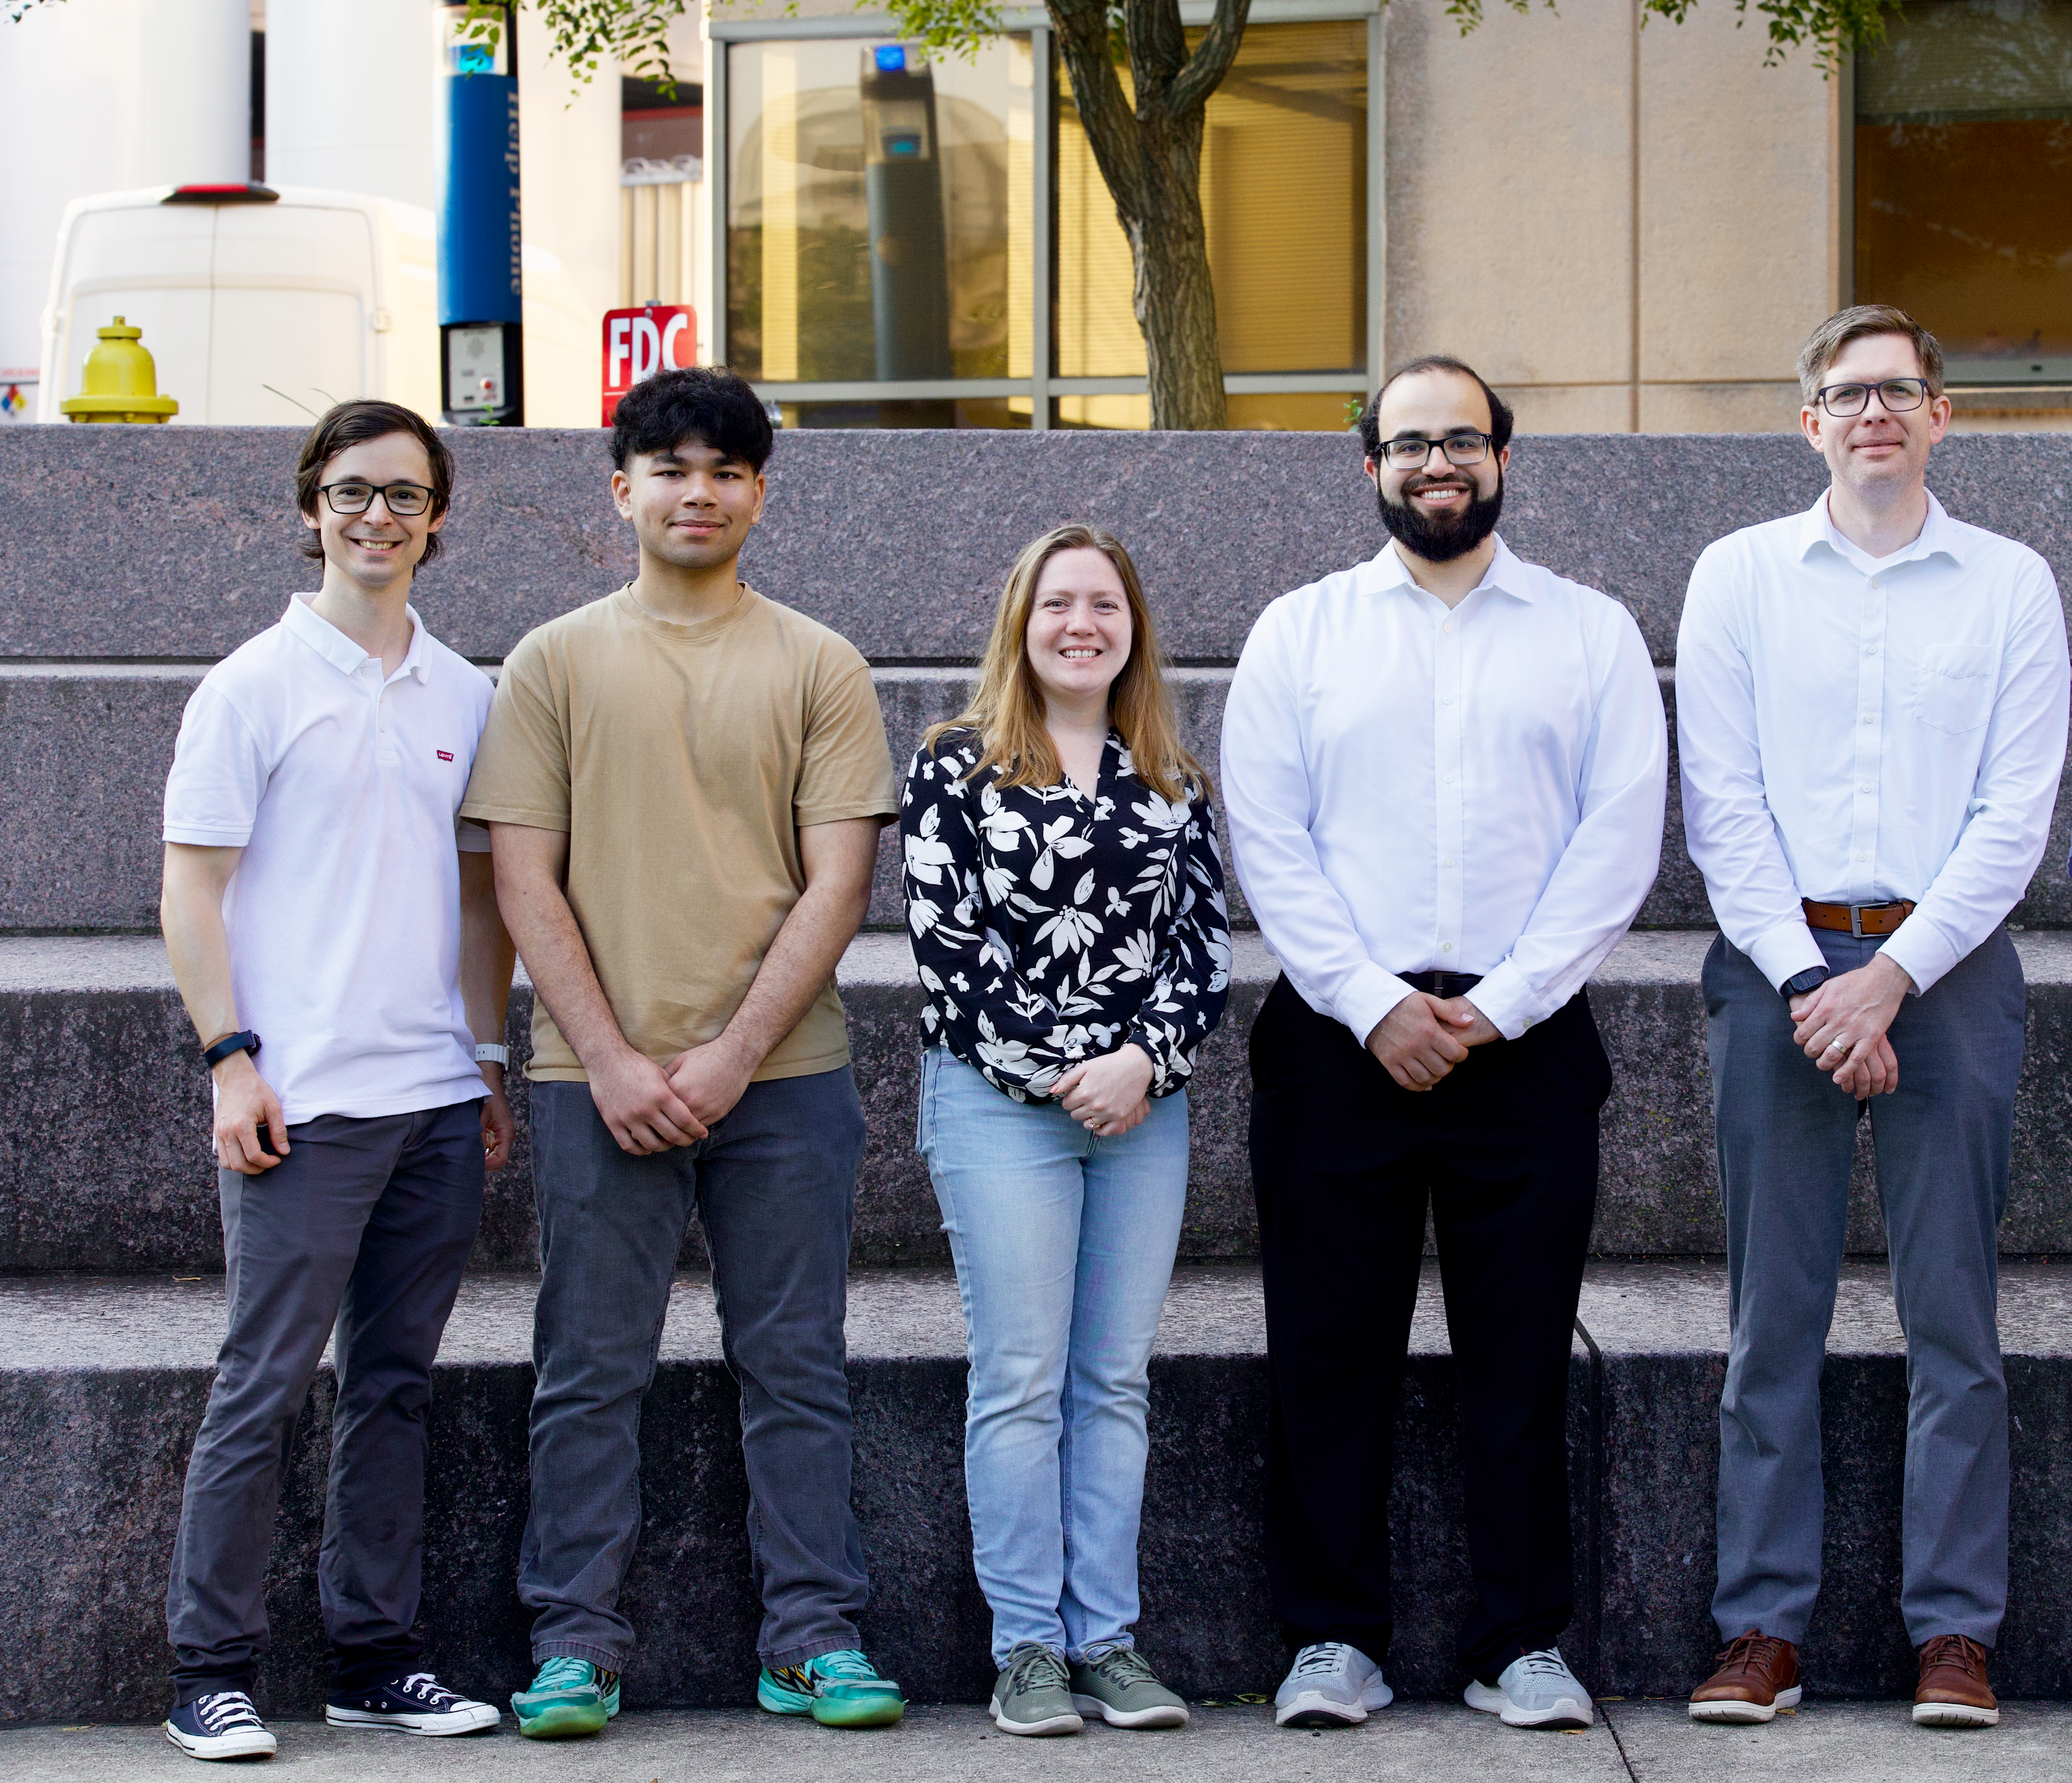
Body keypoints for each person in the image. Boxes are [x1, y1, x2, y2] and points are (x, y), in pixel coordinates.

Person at [1219, 355, 1667, 1734]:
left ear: (1503, 459)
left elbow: (1620, 835)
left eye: (1461, 440)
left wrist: (1506, 1001)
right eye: (1409, 443)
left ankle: (1518, 1641)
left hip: (1520, 1042)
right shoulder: (1300, 633)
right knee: (1327, 1357)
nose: (1437, 464)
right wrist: (1371, 1003)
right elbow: (1267, 839)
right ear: (1370, 468)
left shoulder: (1587, 634)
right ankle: (1329, 1640)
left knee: (1521, 1360)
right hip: (1336, 1042)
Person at [462, 367, 905, 1739]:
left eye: (725, 469)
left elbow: (837, 887)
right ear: (621, 491)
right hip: (593, 1080)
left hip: (785, 1081)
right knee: (588, 1365)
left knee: (796, 1361)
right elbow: (523, 881)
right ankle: (575, 1643)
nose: (696, 491)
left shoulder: (818, 663)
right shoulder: (553, 660)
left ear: (760, 494)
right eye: (669, 468)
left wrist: (726, 1058)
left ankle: (813, 1635)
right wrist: (603, 1057)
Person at [1675, 305, 2071, 1729]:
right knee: (1766, 1317)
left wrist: (1891, 979)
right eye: (1848, 395)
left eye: (1900, 391)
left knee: (1953, 1318)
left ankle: (1954, 1634)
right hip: (1774, 965)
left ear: (1942, 415)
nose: (1875, 415)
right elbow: (1722, 806)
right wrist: (1806, 982)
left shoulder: (2011, 586)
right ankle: (1759, 1629)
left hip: (1947, 972)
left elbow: (2012, 814)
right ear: (1810, 425)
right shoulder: (1736, 579)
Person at [156, 400, 512, 1761]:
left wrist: (480, 1060)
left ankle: (376, 1657)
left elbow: (480, 908)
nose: (378, 516)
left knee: (395, 1387)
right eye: (353, 492)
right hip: (298, 1104)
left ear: (436, 516)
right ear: (311, 506)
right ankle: (212, 1669)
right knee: (263, 1381)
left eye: (406, 495)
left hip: (428, 1094)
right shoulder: (252, 684)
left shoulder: (465, 692)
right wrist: (231, 1060)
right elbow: (193, 891)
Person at [901, 525, 1231, 1737]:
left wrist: (1142, 1061)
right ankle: (1027, 1649)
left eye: (1104, 604)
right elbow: (949, 957)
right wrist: (1066, 1073)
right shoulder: (954, 767)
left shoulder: (1172, 775)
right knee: (1022, 1379)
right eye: (1058, 605)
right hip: (999, 1109)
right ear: (1021, 625)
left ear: (1133, 626)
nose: (1081, 624)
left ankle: (1109, 1641)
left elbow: (1203, 948)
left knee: (1113, 1383)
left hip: (1144, 1110)